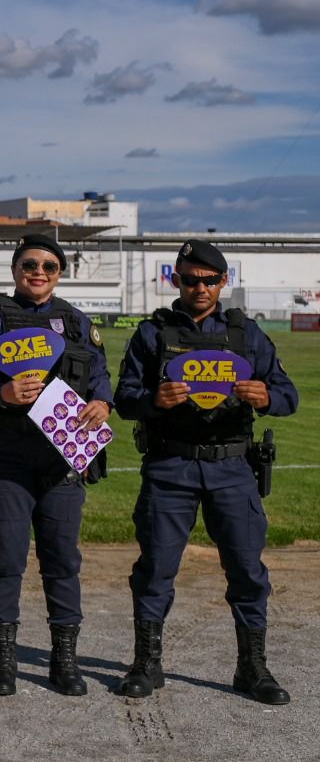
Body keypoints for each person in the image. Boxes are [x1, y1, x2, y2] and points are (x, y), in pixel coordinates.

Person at [114, 239, 299, 705]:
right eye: (190, 279)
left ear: (223, 281)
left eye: (210, 280)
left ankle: (251, 667)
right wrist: (154, 401)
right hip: (170, 464)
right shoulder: (152, 333)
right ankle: (147, 662)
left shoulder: (246, 333)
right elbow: (124, 398)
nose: (200, 287)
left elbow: (288, 395)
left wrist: (265, 398)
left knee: (246, 568)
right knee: (155, 567)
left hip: (232, 466)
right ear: (175, 280)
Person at [0, 233, 112, 698]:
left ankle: (64, 659)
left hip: (62, 458)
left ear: (59, 272)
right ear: (15, 269)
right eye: (29, 264)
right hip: (8, 455)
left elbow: (100, 376)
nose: (38, 272)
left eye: (48, 265)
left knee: (62, 560)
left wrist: (103, 402)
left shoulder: (78, 323)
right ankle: (3, 659)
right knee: (6, 558)